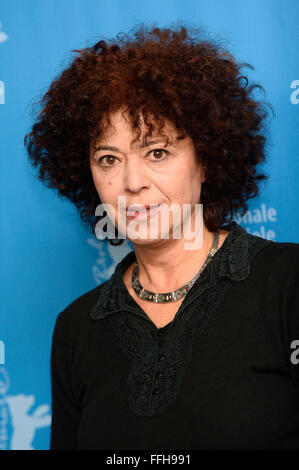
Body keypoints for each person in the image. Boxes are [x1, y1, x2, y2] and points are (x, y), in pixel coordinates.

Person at [24, 22, 299, 450]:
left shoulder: (288, 283)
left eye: (157, 152)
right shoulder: (77, 329)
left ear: (206, 160)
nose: (133, 182)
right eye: (109, 158)